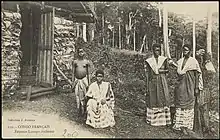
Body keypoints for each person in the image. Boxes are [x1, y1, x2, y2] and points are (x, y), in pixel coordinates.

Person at [172, 44, 203, 135]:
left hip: (190, 86)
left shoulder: (193, 61)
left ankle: (186, 127)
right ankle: (179, 126)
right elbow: (178, 74)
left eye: (187, 50)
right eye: (184, 50)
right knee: (180, 104)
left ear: (190, 51)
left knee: (189, 105)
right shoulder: (180, 61)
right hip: (181, 86)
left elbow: (197, 75)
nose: (185, 51)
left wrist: (196, 87)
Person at [144, 43, 172, 126]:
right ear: (153, 51)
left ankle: (164, 120)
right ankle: (154, 120)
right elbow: (148, 74)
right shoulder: (149, 61)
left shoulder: (163, 60)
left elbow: (168, 70)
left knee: (163, 97)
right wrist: (147, 85)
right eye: (156, 50)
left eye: (159, 50)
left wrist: (161, 71)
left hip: (162, 80)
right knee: (153, 98)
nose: (157, 52)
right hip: (153, 82)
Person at [72, 48, 92, 117]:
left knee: (85, 94)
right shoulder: (75, 62)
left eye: (82, 52)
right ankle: (78, 109)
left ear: (84, 53)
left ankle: (84, 109)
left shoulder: (86, 62)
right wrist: (72, 82)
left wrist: (89, 83)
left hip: (84, 80)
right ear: (78, 53)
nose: (81, 53)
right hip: (77, 80)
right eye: (79, 52)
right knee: (77, 95)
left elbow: (88, 73)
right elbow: (73, 73)